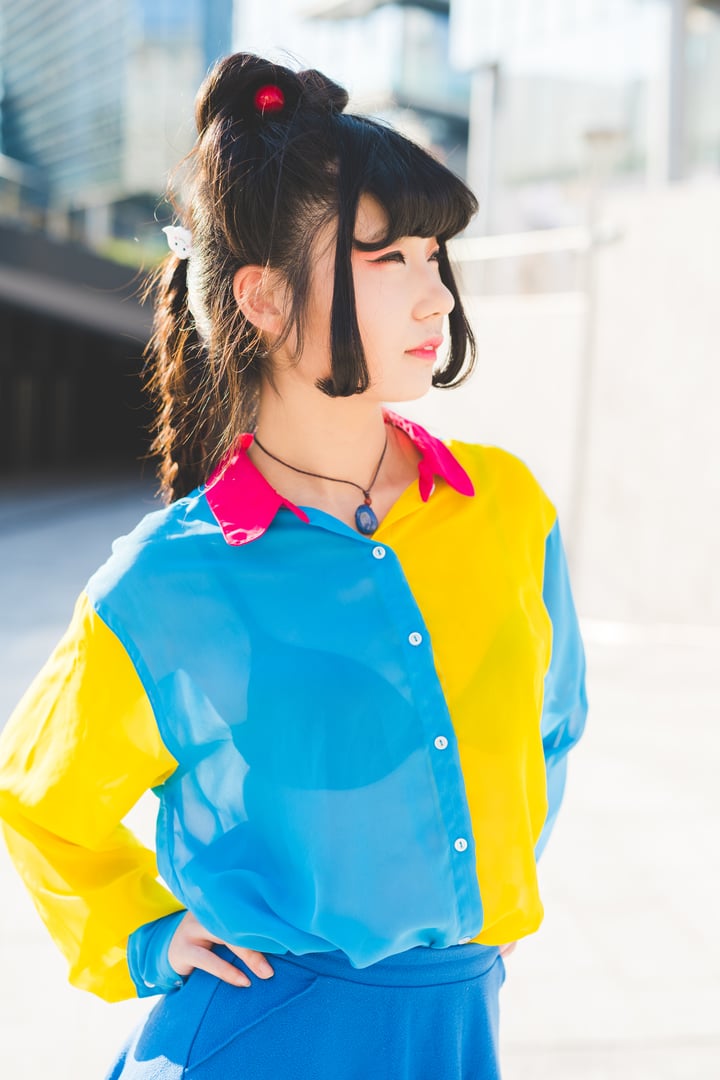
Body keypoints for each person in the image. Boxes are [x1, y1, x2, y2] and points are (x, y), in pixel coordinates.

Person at [0, 53, 587, 1079]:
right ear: (263, 299)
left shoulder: (505, 510)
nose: (433, 292)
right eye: (384, 258)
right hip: (266, 1035)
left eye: (433, 254)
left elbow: (554, 725)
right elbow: (38, 793)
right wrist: (144, 931)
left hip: (458, 1023)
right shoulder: (168, 584)